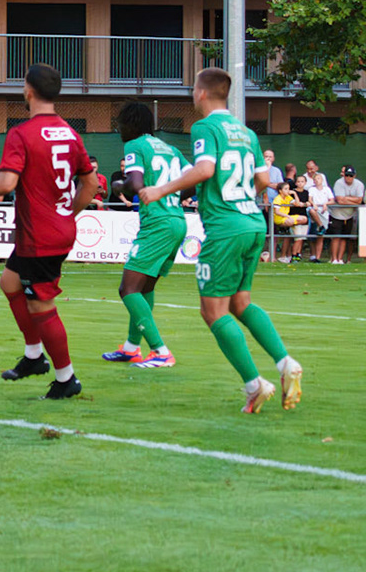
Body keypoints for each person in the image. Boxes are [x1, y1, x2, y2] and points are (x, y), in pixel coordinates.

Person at [136, 69, 303, 412]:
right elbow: (260, 179)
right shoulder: (246, 132)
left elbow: (206, 169)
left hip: (226, 230)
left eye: (193, 89)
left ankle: (255, 385)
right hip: (253, 223)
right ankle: (286, 364)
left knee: (213, 311)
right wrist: (239, 196)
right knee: (241, 303)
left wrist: (161, 189)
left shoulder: (205, 127)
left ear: (200, 93)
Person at [0, 63, 100, 399]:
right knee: (9, 282)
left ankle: (66, 378)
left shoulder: (22, 133)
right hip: (52, 231)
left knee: (41, 306)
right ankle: (34, 357)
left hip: (40, 237)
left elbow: (6, 181)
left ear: (29, 90)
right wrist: (67, 213)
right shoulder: (69, 132)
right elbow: (90, 181)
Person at [99, 102, 186, 369]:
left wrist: (118, 185)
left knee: (127, 289)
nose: (118, 128)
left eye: (121, 123)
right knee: (145, 287)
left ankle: (161, 351)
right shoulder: (170, 149)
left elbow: (135, 185)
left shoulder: (135, 145)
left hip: (157, 223)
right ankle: (131, 348)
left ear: (132, 124)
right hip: (177, 221)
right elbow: (194, 180)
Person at [330, 166, 363, 265]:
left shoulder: (359, 184)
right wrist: (352, 199)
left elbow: (359, 201)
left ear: (354, 176)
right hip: (337, 214)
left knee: (344, 237)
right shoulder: (339, 183)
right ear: (344, 175)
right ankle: (334, 259)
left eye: (351, 176)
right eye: (347, 175)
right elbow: (340, 200)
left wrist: (346, 199)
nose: (349, 178)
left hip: (349, 215)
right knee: (336, 237)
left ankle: (340, 259)